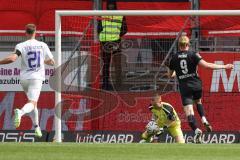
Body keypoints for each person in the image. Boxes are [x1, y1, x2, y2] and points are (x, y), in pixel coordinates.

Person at [168, 35, 233, 143]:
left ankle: (196, 130)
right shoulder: (193, 54)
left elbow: (170, 75)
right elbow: (207, 65)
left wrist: (178, 72)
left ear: (179, 46)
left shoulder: (173, 58)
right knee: (198, 101)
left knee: (189, 112)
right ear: (188, 45)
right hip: (196, 85)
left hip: (185, 87)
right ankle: (204, 119)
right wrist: (224, 66)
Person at [0, 24, 55, 137]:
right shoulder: (42, 45)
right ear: (35, 33)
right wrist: (43, 61)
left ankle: (37, 127)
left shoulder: (21, 45)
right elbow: (52, 62)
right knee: (32, 102)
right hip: (36, 78)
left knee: (32, 102)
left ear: (26, 32)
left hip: (24, 78)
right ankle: (20, 112)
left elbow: (13, 58)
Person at [98, 0, 127, 90]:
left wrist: (104, 37)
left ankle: (106, 84)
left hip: (105, 42)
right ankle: (118, 85)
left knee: (106, 64)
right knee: (117, 64)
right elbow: (125, 29)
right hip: (115, 42)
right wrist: (117, 35)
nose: (110, 6)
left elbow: (98, 29)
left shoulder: (103, 15)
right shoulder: (120, 15)